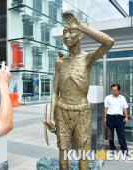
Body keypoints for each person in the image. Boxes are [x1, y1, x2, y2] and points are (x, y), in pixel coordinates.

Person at [44, 12, 114, 170]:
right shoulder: (60, 62)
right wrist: (52, 117)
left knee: (83, 153)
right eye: (64, 33)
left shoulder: (88, 59)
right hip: (62, 111)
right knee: (63, 152)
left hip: (82, 112)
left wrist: (81, 26)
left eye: (71, 32)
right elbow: (55, 92)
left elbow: (109, 42)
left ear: (80, 34)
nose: (66, 36)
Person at [104, 84, 129, 155]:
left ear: (119, 90)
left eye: (115, 90)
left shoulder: (122, 98)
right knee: (110, 135)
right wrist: (105, 117)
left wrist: (126, 117)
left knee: (121, 135)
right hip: (110, 117)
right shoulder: (108, 98)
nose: (113, 92)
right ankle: (113, 149)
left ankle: (124, 150)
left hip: (119, 118)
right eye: (112, 90)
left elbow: (124, 108)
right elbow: (106, 108)